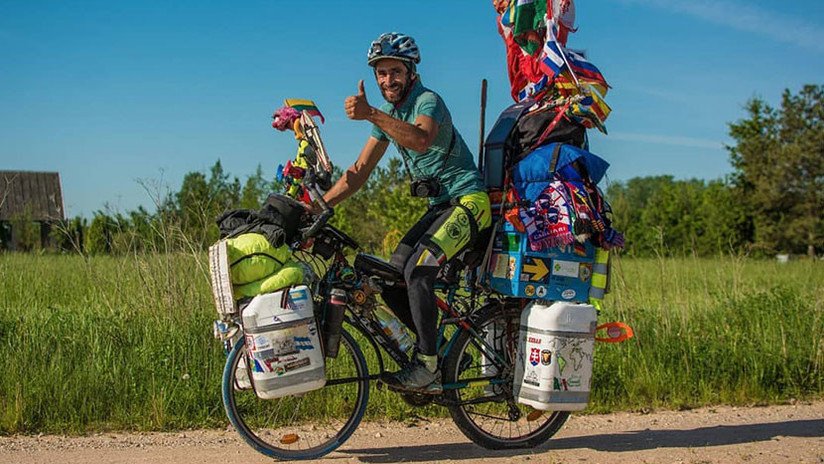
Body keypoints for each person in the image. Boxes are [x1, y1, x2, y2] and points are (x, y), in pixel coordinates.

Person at [319, 32, 491, 394]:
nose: (387, 81)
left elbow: (419, 138)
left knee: (419, 270)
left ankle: (426, 367)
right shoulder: (388, 117)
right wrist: (319, 206)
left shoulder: (427, 101)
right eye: (381, 74)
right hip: (440, 207)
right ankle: (438, 349)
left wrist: (371, 113)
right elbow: (359, 172)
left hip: (469, 202)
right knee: (390, 275)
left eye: (394, 72)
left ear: (411, 71)